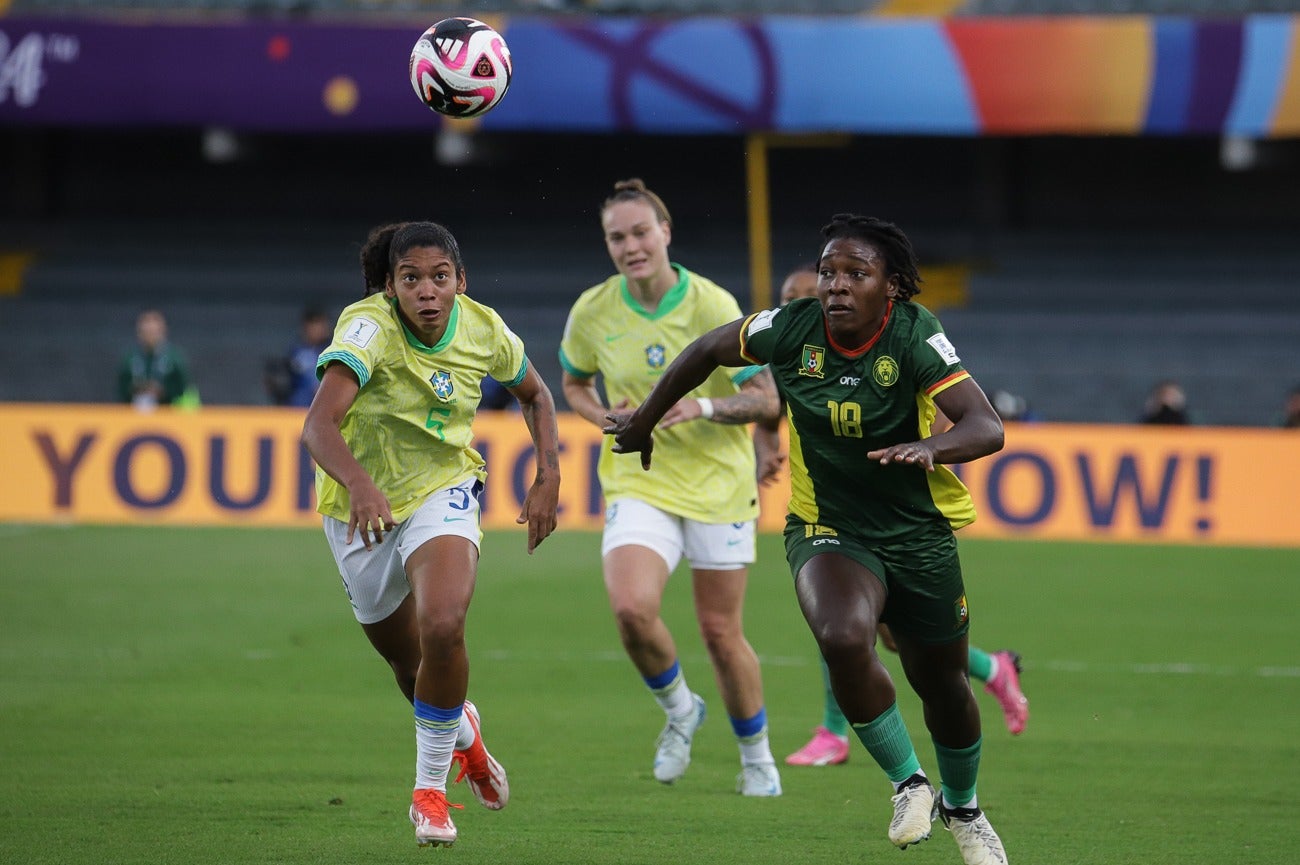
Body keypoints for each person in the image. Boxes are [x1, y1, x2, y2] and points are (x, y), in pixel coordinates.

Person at [606, 214, 1010, 864]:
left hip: (917, 534)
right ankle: (909, 783)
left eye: (857, 273)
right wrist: (647, 420)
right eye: (828, 271)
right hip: (827, 526)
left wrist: (931, 446)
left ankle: (964, 807)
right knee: (845, 637)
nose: (837, 285)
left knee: (942, 684)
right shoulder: (790, 328)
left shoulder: (915, 335)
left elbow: (986, 427)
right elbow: (708, 349)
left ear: (892, 287)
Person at [301, 220, 561, 848]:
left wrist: (548, 474)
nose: (426, 291)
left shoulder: (482, 327)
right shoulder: (366, 328)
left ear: (459, 282)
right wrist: (362, 484)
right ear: (389, 288)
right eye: (411, 279)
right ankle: (464, 735)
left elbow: (536, 394)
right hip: (358, 509)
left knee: (443, 626)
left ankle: (428, 793)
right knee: (408, 663)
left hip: (445, 488)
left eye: (439, 277)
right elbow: (317, 427)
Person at [559, 178, 785, 797]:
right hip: (642, 477)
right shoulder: (593, 310)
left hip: (718, 483)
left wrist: (704, 410)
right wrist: (604, 416)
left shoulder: (712, 304)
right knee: (632, 610)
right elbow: (574, 383)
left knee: (720, 632)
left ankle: (757, 756)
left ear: (665, 232)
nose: (630, 246)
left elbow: (767, 396)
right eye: (616, 237)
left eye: (640, 232)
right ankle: (682, 710)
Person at [759, 264, 1028, 768]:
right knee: (852, 628)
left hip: (899, 513)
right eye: (790, 298)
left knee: (883, 634)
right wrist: (763, 445)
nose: (802, 306)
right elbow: (774, 408)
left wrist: (928, 446)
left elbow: (952, 413)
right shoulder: (798, 349)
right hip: (833, 509)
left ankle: (841, 730)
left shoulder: (896, 344)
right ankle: (989, 672)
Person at [116, 309, 198, 410]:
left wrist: (163, 392)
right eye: (146, 331)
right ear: (139, 333)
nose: (150, 335)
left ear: (163, 332)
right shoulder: (130, 358)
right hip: (135, 413)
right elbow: (121, 388)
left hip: (169, 413)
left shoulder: (174, 358)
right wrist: (137, 389)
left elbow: (184, 389)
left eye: (153, 331)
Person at [266, 306, 333, 407]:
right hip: (297, 408)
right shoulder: (296, 352)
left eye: (320, 324)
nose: (316, 329)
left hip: (324, 408)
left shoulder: (332, 351)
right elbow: (284, 381)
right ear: (305, 327)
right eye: (313, 325)